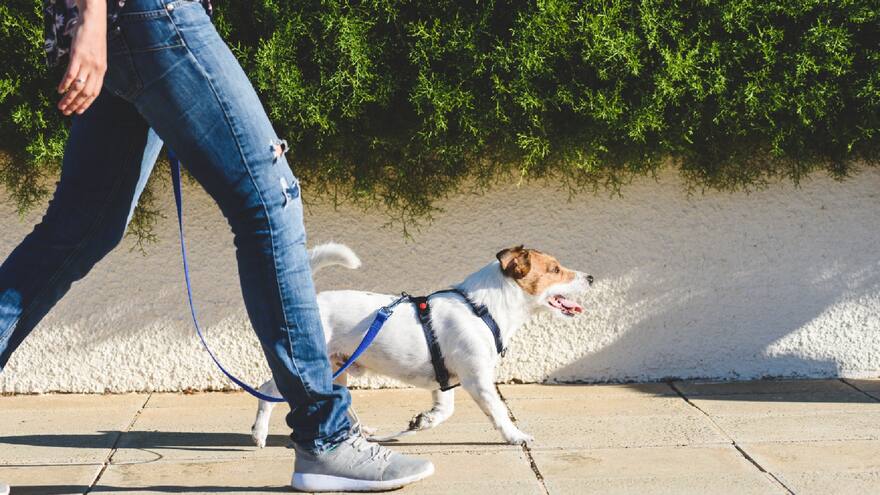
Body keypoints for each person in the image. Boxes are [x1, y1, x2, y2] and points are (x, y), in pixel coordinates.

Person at [0, 0, 434, 491]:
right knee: (271, 204)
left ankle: (326, 436)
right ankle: (327, 437)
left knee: (81, 229)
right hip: (150, 14)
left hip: (129, 23)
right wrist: (94, 15)